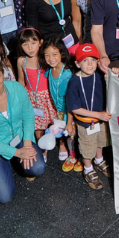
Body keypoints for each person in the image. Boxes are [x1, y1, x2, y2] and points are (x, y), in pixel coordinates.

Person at [0, 56, 46, 199]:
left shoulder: (16, 88)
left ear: (3, 74)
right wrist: (17, 153)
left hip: (19, 137)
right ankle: (8, 163)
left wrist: (28, 144)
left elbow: (29, 116)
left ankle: (19, 163)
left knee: (38, 167)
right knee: (5, 197)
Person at [67, 44, 111, 190]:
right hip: (86, 123)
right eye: (85, 60)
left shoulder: (98, 76)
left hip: (101, 120)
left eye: (93, 60)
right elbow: (74, 108)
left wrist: (109, 77)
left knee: (100, 142)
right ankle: (88, 168)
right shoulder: (74, 82)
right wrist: (98, 115)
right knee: (87, 148)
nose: (90, 64)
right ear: (77, 63)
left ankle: (99, 160)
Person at [16, 28, 60, 142]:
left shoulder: (45, 58)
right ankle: (42, 147)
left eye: (33, 43)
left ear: (40, 42)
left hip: (48, 97)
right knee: (36, 124)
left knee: (57, 123)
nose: (30, 48)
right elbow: (21, 80)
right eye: (25, 44)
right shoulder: (21, 61)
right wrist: (21, 98)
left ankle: (62, 144)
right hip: (32, 98)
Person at [42, 37, 77, 171]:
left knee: (70, 133)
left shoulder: (67, 73)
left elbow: (71, 101)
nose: (51, 58)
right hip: (59, 111)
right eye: (47, 55)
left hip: (69, 111)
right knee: (64, 133)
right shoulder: (50, 71)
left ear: (62, 53)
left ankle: (73, 156)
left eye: (54, 54)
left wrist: (69, 122)